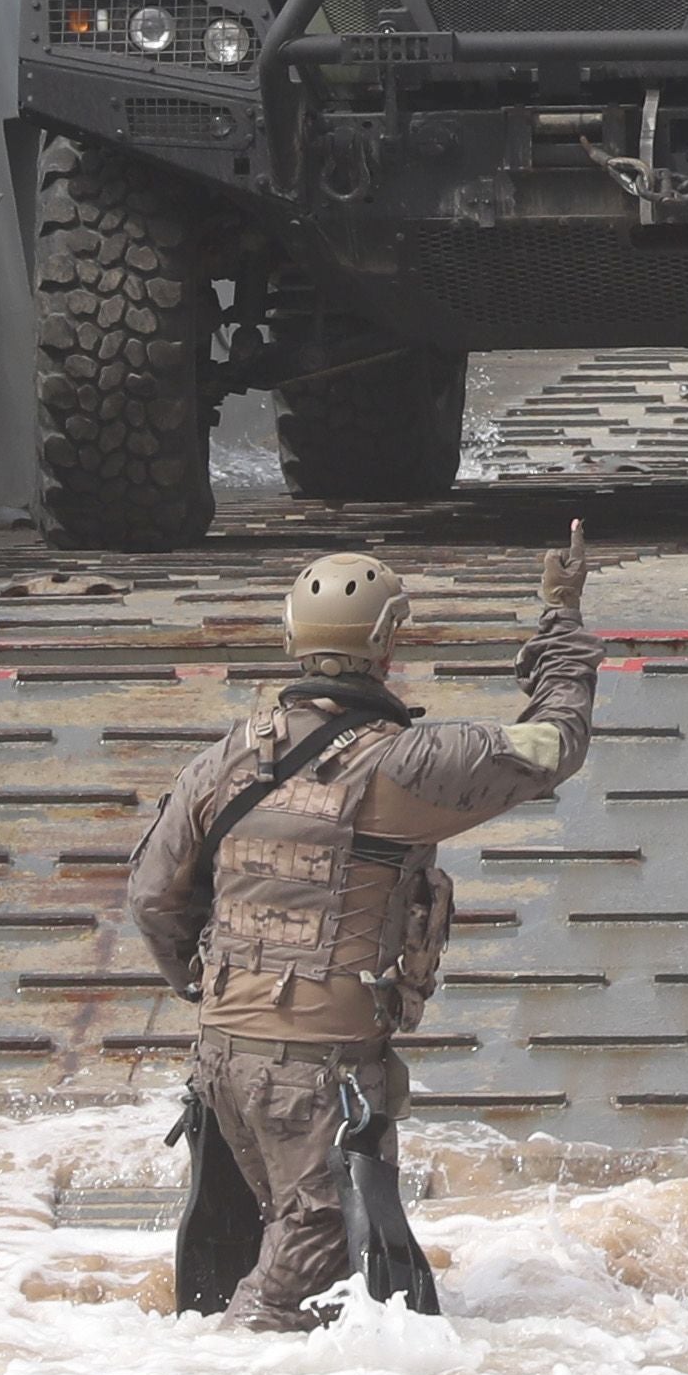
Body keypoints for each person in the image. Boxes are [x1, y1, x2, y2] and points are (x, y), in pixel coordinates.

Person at [125, 539, 601, 1331]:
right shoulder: (408, 765)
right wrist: (562, 619)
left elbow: (151, 898)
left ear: (290, 637)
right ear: (387, 645)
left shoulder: (221, 762)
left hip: (222, 1063)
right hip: (321, 1074)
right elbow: (555, 743)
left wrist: (207, 989)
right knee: (297, 1281)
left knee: (286, 1261)